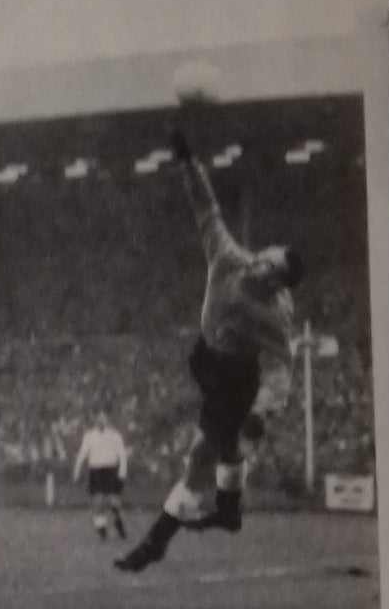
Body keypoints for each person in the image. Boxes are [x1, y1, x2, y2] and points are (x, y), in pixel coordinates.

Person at [117, 100, 301, 568]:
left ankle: (155, 545)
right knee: (213, 451)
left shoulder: (275, 314)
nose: (259, 261)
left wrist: (262, 409)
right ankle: (228, 511)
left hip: (237, 377)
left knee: (201, 454)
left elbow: (282, 367)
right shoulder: (227, 256)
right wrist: (186, 158)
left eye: (271, 266)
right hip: (207, 360)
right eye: (264, 255)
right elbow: (206, 204)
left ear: (278, 282)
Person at [72, 421, 129, 539]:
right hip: (96, 470)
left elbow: (122, 454)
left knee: (115, 502)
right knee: (98, 501)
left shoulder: (115, 435)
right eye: (98, 417)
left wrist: (122, 471)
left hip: (111, 470)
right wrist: (76, 471)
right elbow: (82, 453)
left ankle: (119, 524)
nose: (101, 420)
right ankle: (102, 530)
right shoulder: (89, 436)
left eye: (103, 417)